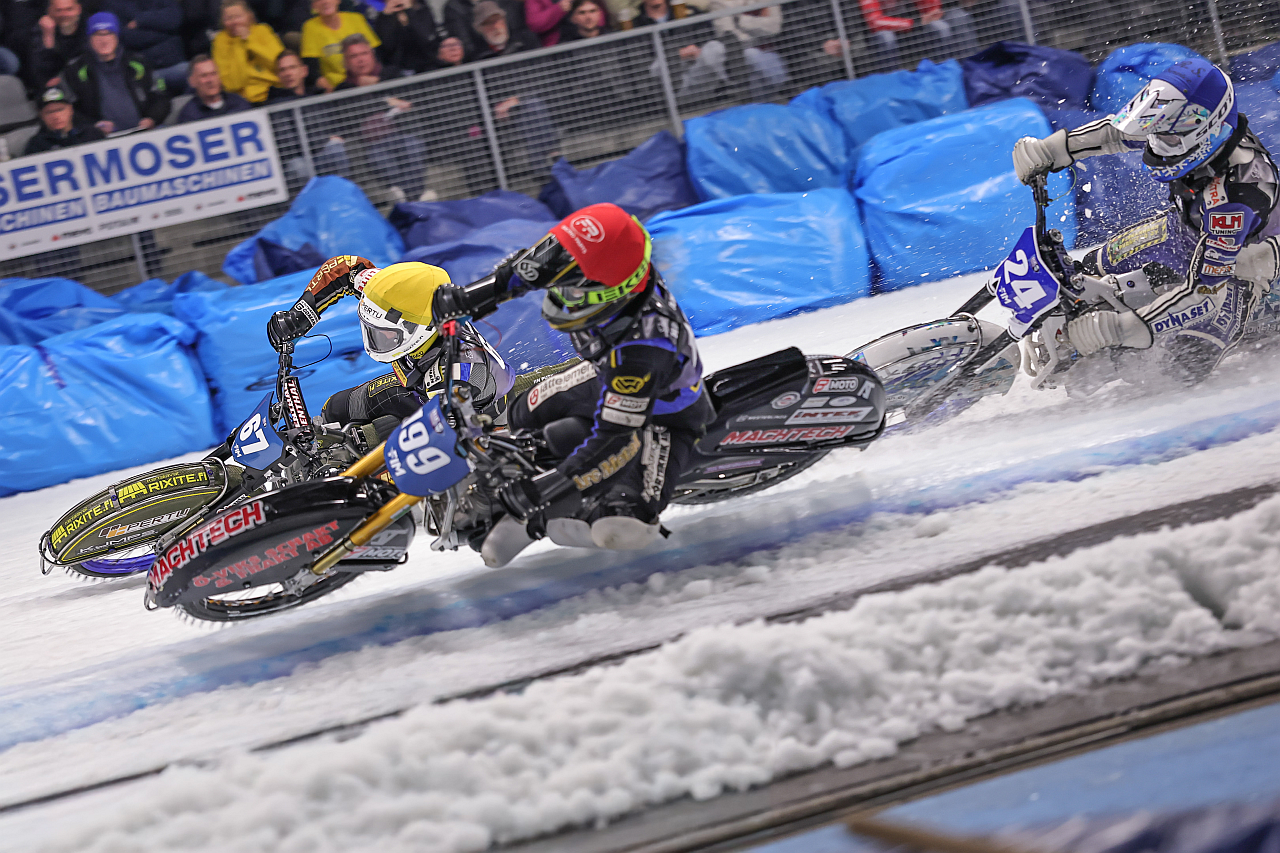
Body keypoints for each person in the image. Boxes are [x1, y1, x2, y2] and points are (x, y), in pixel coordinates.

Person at [430, 202, 716, 566]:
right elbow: (525, 270)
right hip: (606, 376)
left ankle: (539, 526)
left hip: (660, 414)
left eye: (574, 294)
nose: (562, 297)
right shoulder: (592, 254)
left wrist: (538, 496)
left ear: (614, 294)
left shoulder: (643, 350)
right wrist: (467, 298)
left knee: (621, 527)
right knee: (520, 411)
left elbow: (613, 439)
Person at [1012, 58, 1280, 385]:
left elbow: (1206, 289)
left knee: (1174, 373)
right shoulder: (1190, 130)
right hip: (1185, 232)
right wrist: (1051, 150)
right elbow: (1120, 132)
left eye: (1166, 138)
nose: (1155, 144)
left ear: (1205, 130)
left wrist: (1120, 329)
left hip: (1237, 277)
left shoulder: (1237, 196)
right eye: (1157, 134)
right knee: (1090, 271)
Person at [264, 255, 515, 440]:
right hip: (421, 391)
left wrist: (367, 439)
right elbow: (345, 268)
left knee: (370, 443)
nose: (375, 339)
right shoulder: (397, 299)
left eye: (385, 335)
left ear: (419, 331)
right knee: (335, 407)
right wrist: (300, 315)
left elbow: (444, 447)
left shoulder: (454, 374)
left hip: (479, 429)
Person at [63, 11, 170, 134]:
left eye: (109, 34)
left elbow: (162, 96)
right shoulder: (75, 70)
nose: (104, 40)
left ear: (117, 37)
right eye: (98, 34)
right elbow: (68, 110)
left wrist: (152, 118)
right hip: (101, 140)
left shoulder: (139, 62)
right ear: (89, 38)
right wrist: (94, 126)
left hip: (145, 132)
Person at [98, 0, 189, 91]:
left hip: (175, 64)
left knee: (196, 75)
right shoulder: (110, 4)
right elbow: (125, 37)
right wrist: (162, 32)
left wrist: (140, 21)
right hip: (141, 73)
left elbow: (174, 19)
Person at [211, 0, 284, 103]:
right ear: (222, 22)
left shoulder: (263, 30)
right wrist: (239, 43)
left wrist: (249, 42)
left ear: (250, 16)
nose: (234, 22)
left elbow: (279, 65)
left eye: (238, 16)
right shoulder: (220, 41)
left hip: (274, 91)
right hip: (242, 100)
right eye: (229, 18)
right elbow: (232, 84)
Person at [299, 0, 378, 91]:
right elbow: (311, 67)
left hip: (368, 79)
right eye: (318, 0)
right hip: (336, 88)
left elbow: (375, 53)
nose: (325, 2)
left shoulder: (356, 18)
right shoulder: (310, 27)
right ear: (313, 6)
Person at [372, 0, 454, 73]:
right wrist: (387, 17)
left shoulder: (423, 11)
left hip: (429, 67)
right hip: (400, 72)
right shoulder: (382, 19)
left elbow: (426, 38)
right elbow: (388, 46)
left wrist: (409, 11)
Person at [23, 82, 105, 153]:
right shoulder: (37, 145)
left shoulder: (92, 134)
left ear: (71, 109)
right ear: (41, 115)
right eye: (49, 112)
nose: (56, 116)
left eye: (60, 110)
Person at [27, 0, 86, 88]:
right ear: (49, 12)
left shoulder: (89, 27)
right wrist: (48, 38)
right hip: (55, 88)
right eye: (58, 10)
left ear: (79, 9)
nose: (64, 14)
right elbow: (42, 74)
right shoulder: (42, 30)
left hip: (84, 83)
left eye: (69, 9)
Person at [177, 53, 252, 121]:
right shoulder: (189, 115)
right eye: (204, 76)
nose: (210, 80)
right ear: (192, 82)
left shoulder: (239, 103)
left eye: (213, 74)